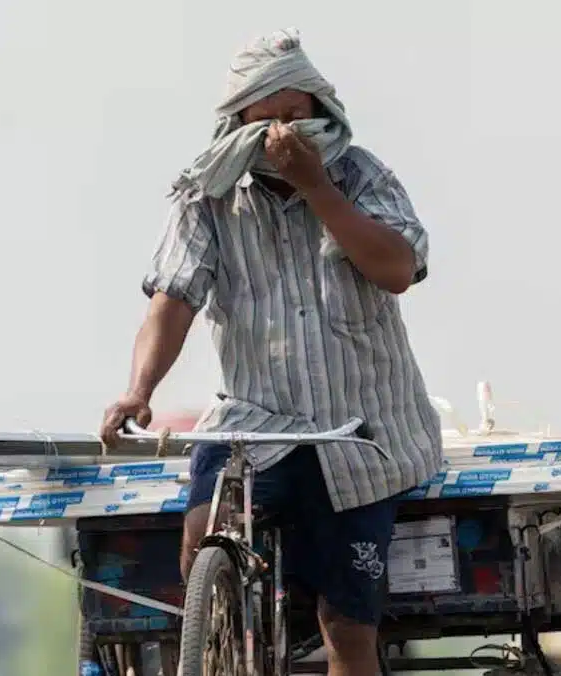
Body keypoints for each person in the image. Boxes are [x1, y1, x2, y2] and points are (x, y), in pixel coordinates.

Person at [99, 28, 442, 676]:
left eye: (294, 118)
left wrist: (318, 189)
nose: (281, 137)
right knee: (202, 533)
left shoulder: (361, 175)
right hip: (254, 420)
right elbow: (172, 300)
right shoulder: (210, 195)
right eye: (265, 123)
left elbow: (397, 268)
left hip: (361, 434)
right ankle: (224, 627)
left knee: (345, 625)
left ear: (320, 112)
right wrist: (138, 390)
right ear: (237, 126)